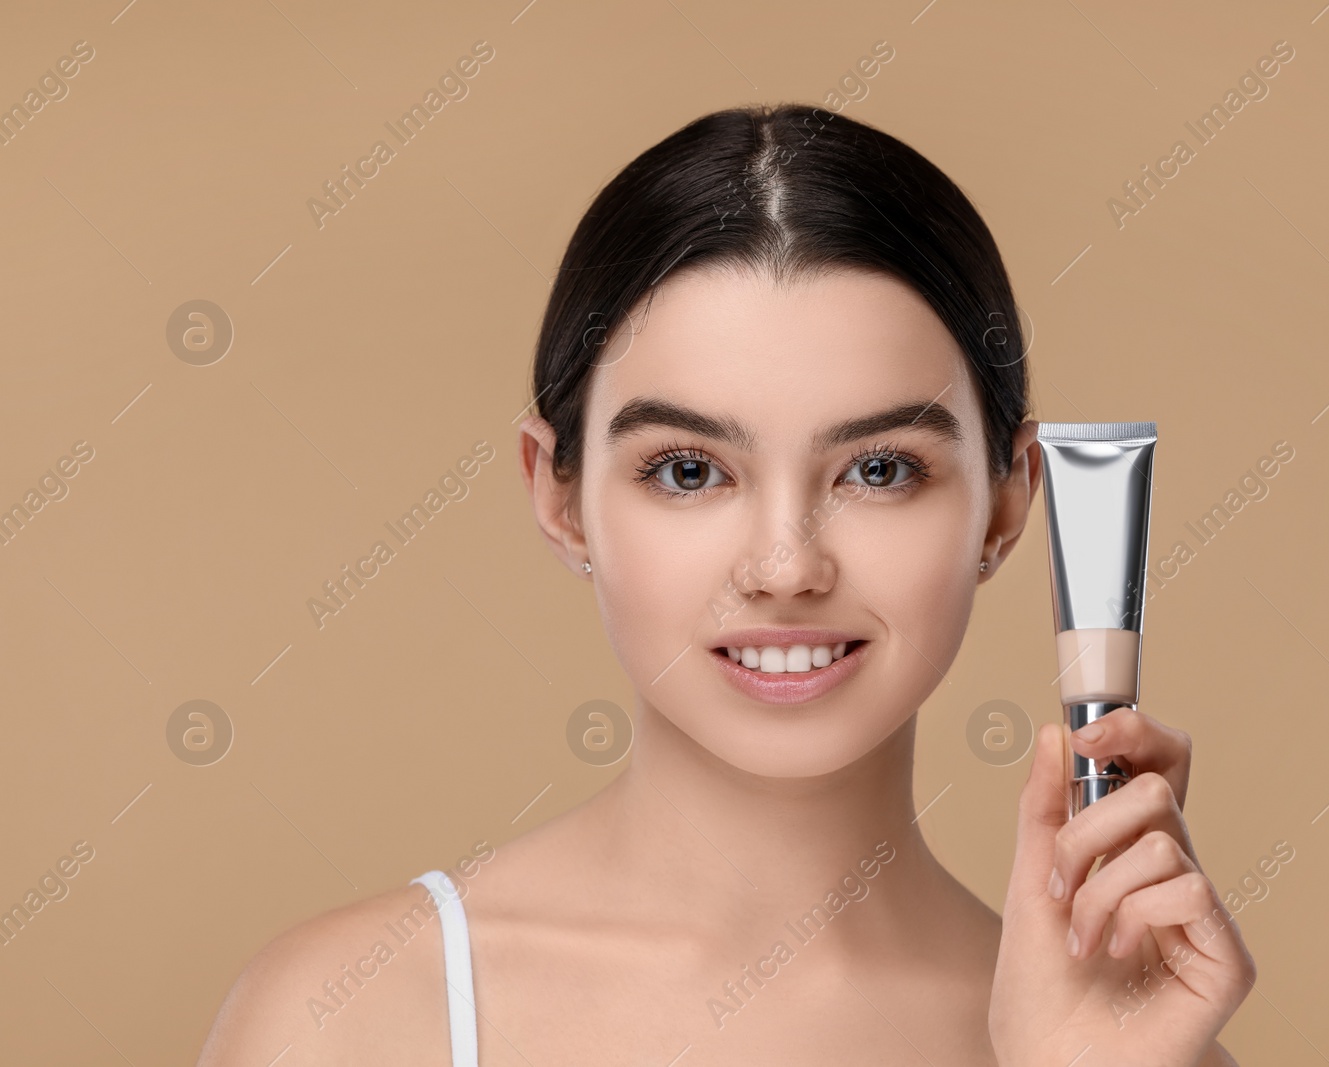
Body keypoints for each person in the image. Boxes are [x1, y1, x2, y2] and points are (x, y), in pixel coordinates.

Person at [198, 103, 1253, 1066]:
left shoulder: (1135, 1042)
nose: (786, 567)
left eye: (878, 469)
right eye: (689, 470)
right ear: (558, 495)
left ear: (1006, 503)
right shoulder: (351, 1018)